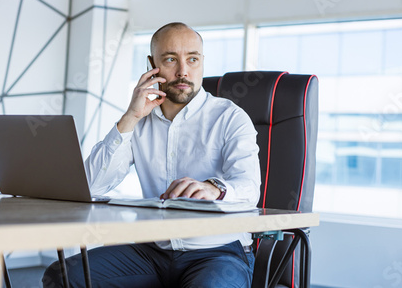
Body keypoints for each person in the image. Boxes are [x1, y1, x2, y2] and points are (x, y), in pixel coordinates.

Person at [42, 22, 261, 288]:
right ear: (151, 65)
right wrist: (130, 118)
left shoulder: (230, 117)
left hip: (217, 251)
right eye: (170, 59)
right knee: (62, 277)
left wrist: (213, 188)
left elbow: (250, 189)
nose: (183, 71)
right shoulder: (139, 120)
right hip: (152, 250)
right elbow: (90, 186)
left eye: (192, 59)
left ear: (202, 62)